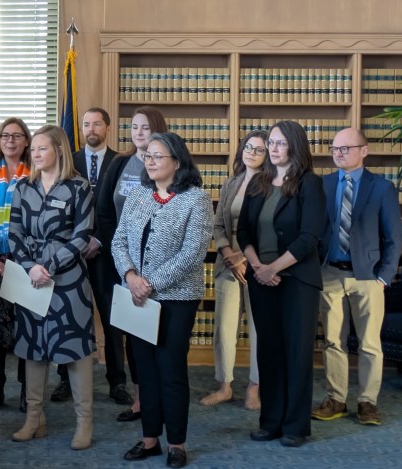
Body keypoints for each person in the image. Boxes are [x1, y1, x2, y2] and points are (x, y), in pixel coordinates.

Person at [114, 132, 212, 468]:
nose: (151, 161)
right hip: (136, 297)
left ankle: (177, 444)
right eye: (148, 156)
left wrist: (150, 284)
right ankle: (150, 439)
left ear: (178, 162)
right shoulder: (138, 195)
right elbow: (118, 241)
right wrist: (130, 276)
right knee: (145, 370)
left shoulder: (196, 199)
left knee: (171, 370)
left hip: (176, 299)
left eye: (158, 156)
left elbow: (192, 253)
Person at [237, 120, 325, 448]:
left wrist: (273, 267)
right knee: (269, 352)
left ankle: (295, 426)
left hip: (297, 281)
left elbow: (309, 238)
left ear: (295, 146)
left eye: (280, 143)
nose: (272, 149)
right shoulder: (258, 182)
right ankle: (270, 421)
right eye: (270, 143)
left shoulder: (310, 184)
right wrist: (258, 267)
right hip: (262, 279)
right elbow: (244, 231)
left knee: (296, 353)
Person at [8, 125, 96, 449]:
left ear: (59, 150)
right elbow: (14, 233)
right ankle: (35, 418)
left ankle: (84, 423)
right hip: (31, 276)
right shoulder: (23, 187)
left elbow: (83, 235)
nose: (35, 154)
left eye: (42, 148)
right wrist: (31, 267)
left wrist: (52, 266)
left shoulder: (78, 186)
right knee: (33, 348)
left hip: (68, 279)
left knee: (74, 349)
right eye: (33, 149)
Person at [311, 128, 402, 426]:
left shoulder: (382, 188)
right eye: (335, 149)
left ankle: (367, 402)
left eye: (345, 148)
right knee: (333, 341)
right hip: (330, 274)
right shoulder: (324, 184)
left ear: (364, 150)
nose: (338, 154)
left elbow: (394, 237)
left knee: (369, 344)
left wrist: (384, 277)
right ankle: (336, 399)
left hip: (368, 277)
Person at [96, 106, 169, 421]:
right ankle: (140, 399)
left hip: (158, 266)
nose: (139, 133)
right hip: (121, 262)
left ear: (158, 131)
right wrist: (121, 255)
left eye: (145, 127)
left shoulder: (170, 166)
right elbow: (103, 210)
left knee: (158, 333)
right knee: (132, 331)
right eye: (134, 127)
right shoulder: (118, 164)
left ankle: (162, 395)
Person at [200, 130, 267, 409]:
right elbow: (217, 224)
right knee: (224, 328)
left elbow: (269, 229)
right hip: (228, 264)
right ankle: (224, 386)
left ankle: (255, 387)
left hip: (259, 266)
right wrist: (228, 253)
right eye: (248, 147)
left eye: (259, 149)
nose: (251, 153)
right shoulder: (231, 182)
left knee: (258, 329)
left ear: (267, 155)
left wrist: (245, 260)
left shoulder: (271, 185)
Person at [63, 107, 122, 404]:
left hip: (106, 252)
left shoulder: (120, 162)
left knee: (112, 319)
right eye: (86, 124)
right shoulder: (69, 161)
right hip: (72, 253)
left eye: (97, 124)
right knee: (69, 316)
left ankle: (117, 381)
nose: (91, 129)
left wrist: (98, 238)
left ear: (107, 128)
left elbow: (122, 209)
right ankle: (65, 380)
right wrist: (78, 240)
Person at [0, 117, 32, 413]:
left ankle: (27, 389)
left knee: (26, 327)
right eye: (5, 136)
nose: (10, 141)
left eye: (17, 136)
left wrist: (22, 259)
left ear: (26, 141)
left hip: (24, 262)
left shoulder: (36, 174)